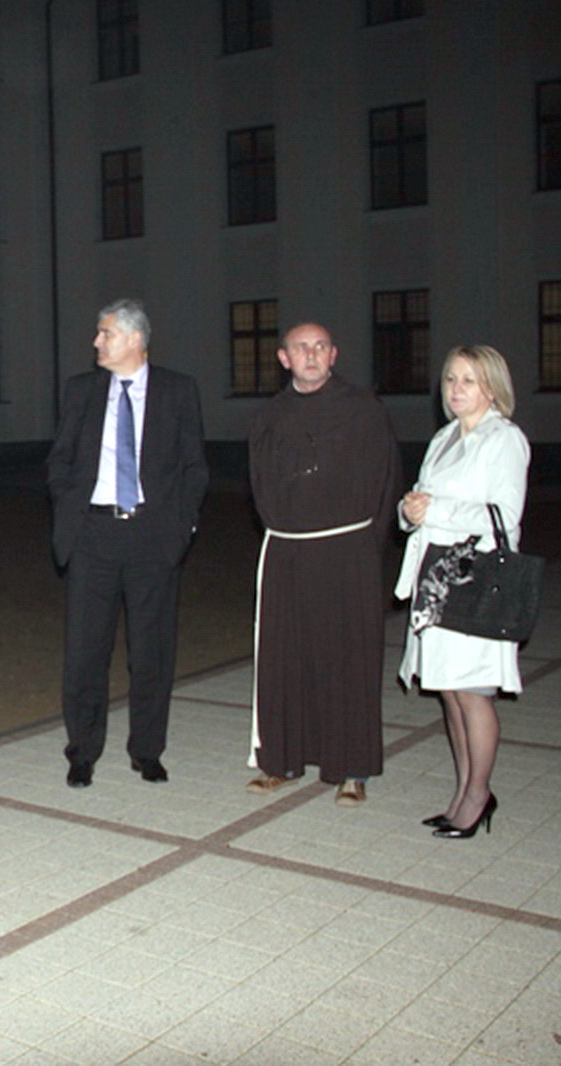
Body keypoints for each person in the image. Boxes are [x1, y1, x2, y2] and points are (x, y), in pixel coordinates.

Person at [47, 298, 208, 787]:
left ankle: (147, 751)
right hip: (93, 535)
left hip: (151, 536)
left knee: (152, 653)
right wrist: (71, 513)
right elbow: (60, 460)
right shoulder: (81, 391)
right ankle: (82, 752)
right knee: (84, 653)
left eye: (106, 333)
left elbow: (194, 467)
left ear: (135, 339)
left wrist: (179, 530)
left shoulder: (177, 391)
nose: (96, 341)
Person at [247, 321, 402, 805]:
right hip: (289, 551)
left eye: (320, 347)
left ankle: (351, 768)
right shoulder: (270, 415)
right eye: (301, 347)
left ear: (334, 355)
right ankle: (282, 759)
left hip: (346, 551)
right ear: (284, 358)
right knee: (285, 660)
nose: (311, 355)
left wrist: (365, 548)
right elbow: (260, 483)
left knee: (349, 660)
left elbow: (386, 481)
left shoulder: (364, 409)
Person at [395, 344, 529, 838]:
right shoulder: (445, 437)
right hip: (437, 580)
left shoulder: (504, 439)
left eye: (468, 380)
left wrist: (438, 511)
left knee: (472, 693)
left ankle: (479, 794)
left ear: (492, 387)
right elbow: (423, 501)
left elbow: (505, 518)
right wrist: (409, 512)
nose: (455, 389)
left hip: (475, 581)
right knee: (449, 691)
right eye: (450, 379)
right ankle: (463, 790)